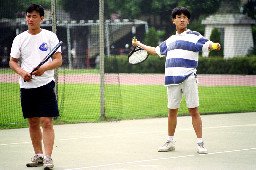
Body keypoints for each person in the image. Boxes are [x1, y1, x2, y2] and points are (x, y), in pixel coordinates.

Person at [132, 7, 221, 154]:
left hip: (188, 78)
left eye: (185, 17)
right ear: (173, 20)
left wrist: (214, 45)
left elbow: (207, 44)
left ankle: (200, 144)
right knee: (172, 111)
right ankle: (170, 142)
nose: (182, 19)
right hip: (172, 79)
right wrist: (139, 44)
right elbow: (156, 50)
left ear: (188, 20)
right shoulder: (170, 40)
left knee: (194, 110)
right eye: (179, 17)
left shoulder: (194, 36)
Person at [9, 4, 62, 168]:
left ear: (41, 18)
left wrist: (43, 69)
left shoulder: (50, 36)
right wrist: (22, 72)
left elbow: (58, 60)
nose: (30, 19)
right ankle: (38, 155)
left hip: (45, 85)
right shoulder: (19, 38)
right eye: (28, 16)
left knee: (46, 121)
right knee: (32, 122)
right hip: (26, 87)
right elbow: (12, 62)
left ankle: (48, 157)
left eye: (34, 16)